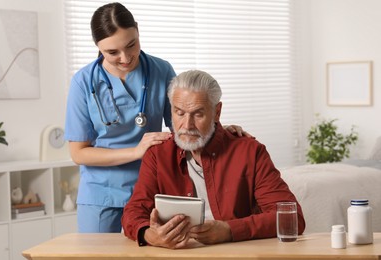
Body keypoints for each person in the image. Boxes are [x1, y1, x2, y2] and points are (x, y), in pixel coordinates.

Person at [64, 3, 247, 233]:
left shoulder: (161, 70)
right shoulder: (83, 83)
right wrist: (135, 151)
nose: (125, 58)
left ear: (138, 30)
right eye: (112, 52)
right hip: (102, 194)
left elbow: (183, 126)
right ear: (98, 47)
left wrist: (218, 130)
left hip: (153, 187)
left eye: (131, 45)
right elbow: (78, 152)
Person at [122, 70, 306, 248]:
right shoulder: (158, 154)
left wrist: (229, 230)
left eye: (198, 114)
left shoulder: (250, 151)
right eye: (179, 113)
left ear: (217, 112)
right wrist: (149, 234)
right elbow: (133, 212)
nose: (187, 125)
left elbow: (292, 218)